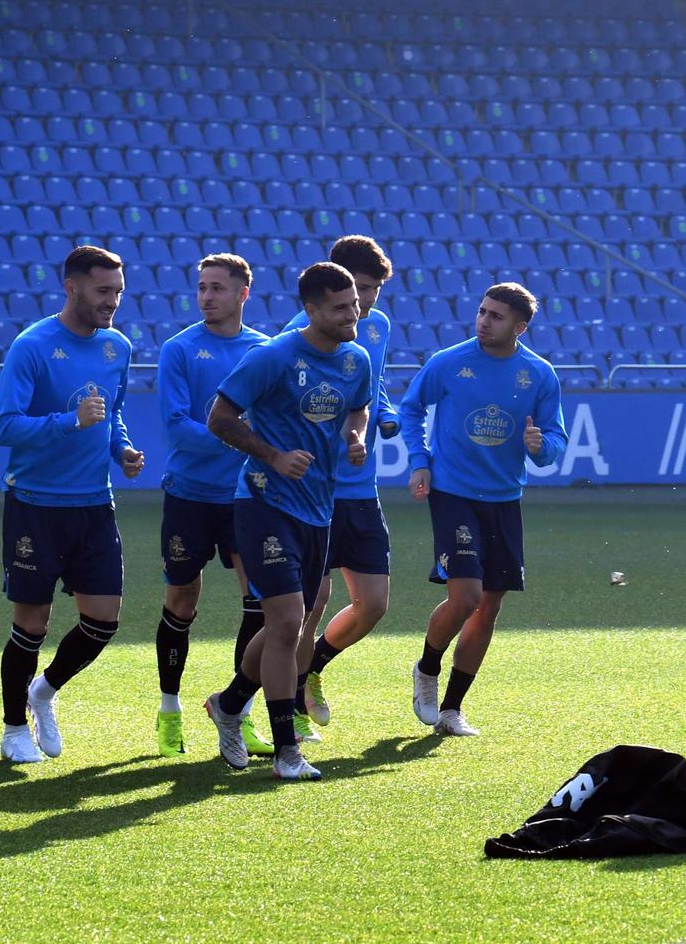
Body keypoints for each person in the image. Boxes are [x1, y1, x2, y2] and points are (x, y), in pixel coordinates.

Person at [201, 261, 373, 781]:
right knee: (283, 622)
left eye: (356, 304)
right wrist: (272, 455)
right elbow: (220, 418)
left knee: (291, 623)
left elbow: (358, 407)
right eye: (341, 307)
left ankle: (229, 704)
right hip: (263, 502)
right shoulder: (273, 356)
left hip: (319, 508)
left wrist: (355, 435)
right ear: (311, 309)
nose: (354, 313)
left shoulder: (356, 360)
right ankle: (286, 751)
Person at [0, 245, 145, 766]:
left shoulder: (117, 347)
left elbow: (111, 413)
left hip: (94, 505)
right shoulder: (32, 346)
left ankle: (44, 691)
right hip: (35, 504)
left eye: (118, 292)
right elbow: (4, 427)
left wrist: (120, 447)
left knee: (103, 621)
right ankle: (13, 729)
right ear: (72, 287)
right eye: (104, 291)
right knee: (31, 623)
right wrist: (68, 421)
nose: (113, 302)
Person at [398, 282, 565, 737]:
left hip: (505, 498)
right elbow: (410, 410)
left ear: (520, 326)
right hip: (453, 493)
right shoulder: (449, 362)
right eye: (482, 311)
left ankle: (452, 709)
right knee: (467, 596)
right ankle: (427, 669)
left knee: (488, 606)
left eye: (496, 316)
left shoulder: (539, 374)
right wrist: (420, 462)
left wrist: (540, 445)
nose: (484, 321)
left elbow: (555, 442)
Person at [285, 236, 404, 733]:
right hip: (314, 485)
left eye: (374, 290)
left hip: (359, 484)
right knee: (311, 603)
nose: (367, 301)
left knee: (373, 604)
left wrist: (387, 412)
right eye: (359, 289)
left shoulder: (376, 326)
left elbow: (370, 386)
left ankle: (310, 669)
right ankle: (285, 703)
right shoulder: (297, 336)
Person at [151, 253, 267, 758]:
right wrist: (239, 438)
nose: (206, 296)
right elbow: (176, 425)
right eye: (201, 287)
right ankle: (170, 708)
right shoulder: (180, 349)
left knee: (261, 603)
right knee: (183, 600)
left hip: (246, 496)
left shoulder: (265, 351)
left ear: (243, 293)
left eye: (217, 288)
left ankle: (235, 712)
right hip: (190, 495)